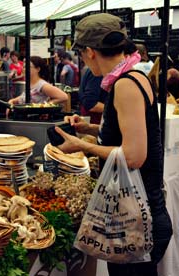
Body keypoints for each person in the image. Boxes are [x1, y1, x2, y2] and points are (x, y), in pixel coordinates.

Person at [56, 13, 172, 276]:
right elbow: (129, 134)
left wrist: (82, 146)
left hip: (137, 220)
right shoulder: (133, 77)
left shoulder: (125, 85)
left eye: (82, 55)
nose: (83, 61)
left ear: (90, 52)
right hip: (140, 215)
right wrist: (90, 129)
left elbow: (133, 156)